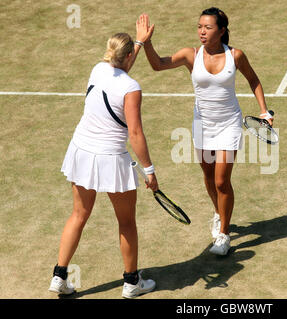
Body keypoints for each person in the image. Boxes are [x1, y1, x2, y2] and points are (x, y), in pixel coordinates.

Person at [137, 8, 274, 255]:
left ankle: (224, 233)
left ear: (221, 31)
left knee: (222, 180)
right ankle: (218, 212)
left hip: (229, 124)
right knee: (209, 178)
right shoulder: (191, 55)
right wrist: (146, 43)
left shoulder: (236, 55)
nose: (202, 31)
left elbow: (253, 80)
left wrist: (264, 111)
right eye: (199, 26)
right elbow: (158, 64)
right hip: (202, 125)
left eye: (208, 27)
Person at [49, 16, 159, 299]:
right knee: (126, 222)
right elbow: (135, 133)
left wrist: (139, 42)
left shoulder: (98, 69)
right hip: (111, 158)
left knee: (78, 214)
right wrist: (149, 169)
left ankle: (59, 276)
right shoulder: (132, 88)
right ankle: (132, 282)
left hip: (82, 151)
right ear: (128, 57)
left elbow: (121, 68)